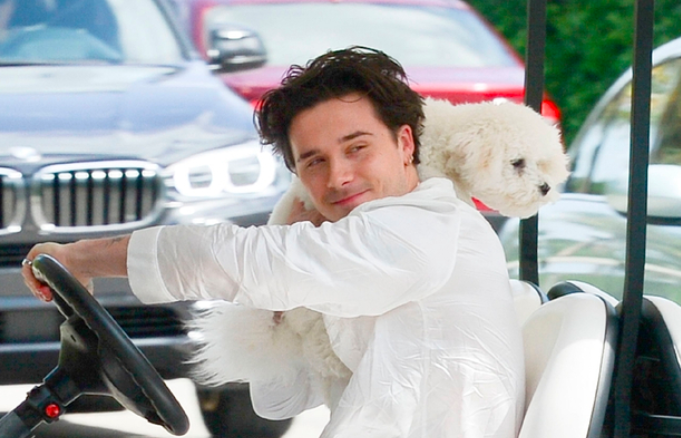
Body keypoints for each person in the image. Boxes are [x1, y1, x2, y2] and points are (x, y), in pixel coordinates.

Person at [22, 47, 525, 438]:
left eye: (357, 148)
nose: (339, 176)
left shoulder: (420, 231)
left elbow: (230, 257)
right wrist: (289, 244)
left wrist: (79, 257)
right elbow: (278, 397)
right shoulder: (367, 252)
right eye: (315, 162)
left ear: (405, 143)